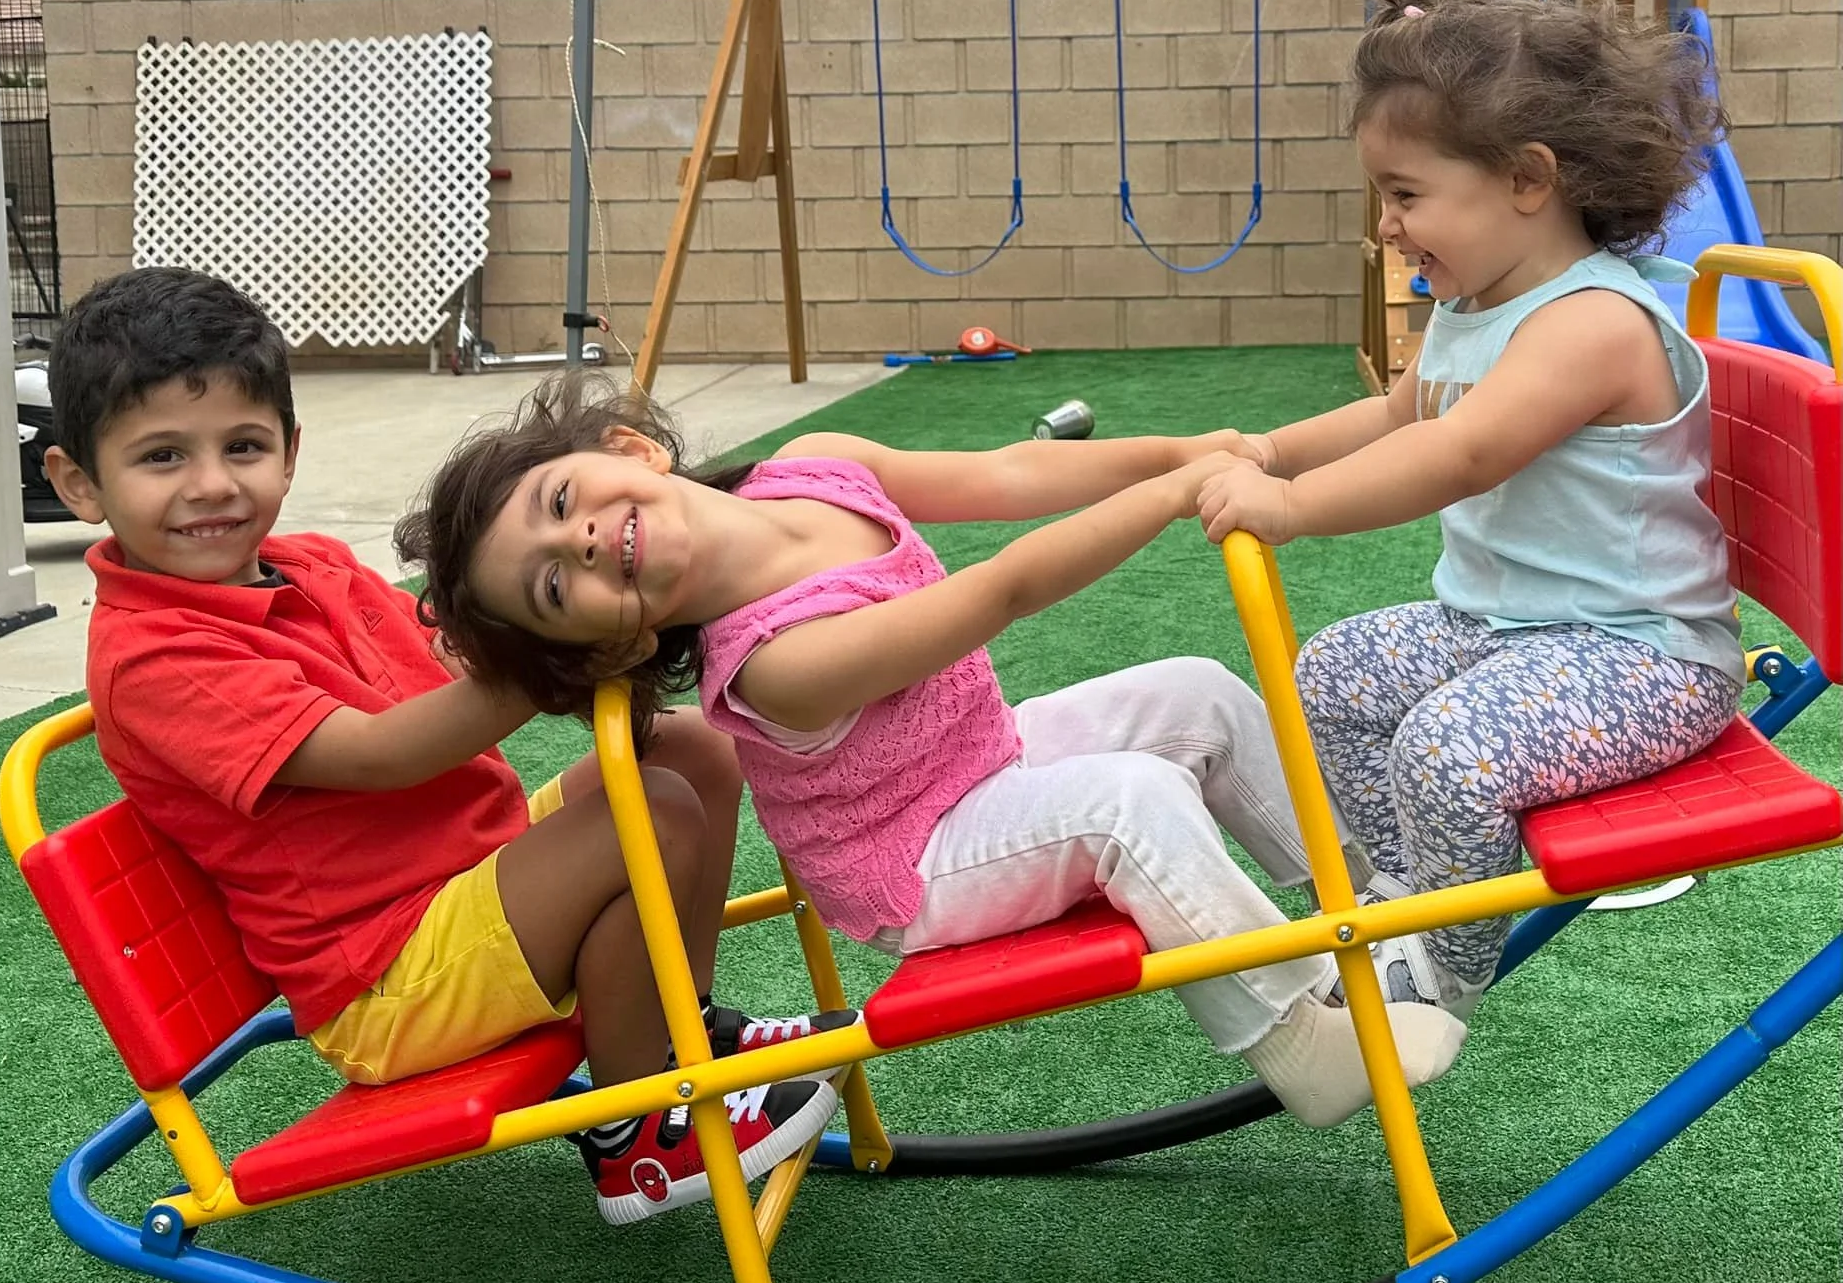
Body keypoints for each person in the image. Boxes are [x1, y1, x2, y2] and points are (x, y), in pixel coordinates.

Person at [396, 383, 1468, 1131]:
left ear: (630, 451)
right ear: (616, 642)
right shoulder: (771, 661)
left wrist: (1184, 450)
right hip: (917, 862)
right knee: (1128, 799)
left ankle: (1370, 908)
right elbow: (997, 589)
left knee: (1192, 690)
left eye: (557, 501)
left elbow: (1007, 473)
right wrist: (1171, 495)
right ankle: (1298, 1043)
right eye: (550, 585)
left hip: (980, 759)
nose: (573, 540)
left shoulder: (815, 472)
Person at [43, 267, 848, 1226]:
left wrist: (582, 588)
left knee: (686, 753)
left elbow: (453, 649)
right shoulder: (156, 655)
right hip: (387, 976)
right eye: (163, 457)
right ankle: (637, 1132)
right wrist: (556, 658)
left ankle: (682, 1036)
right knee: (657, 816)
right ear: (78, 482)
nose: (213, 484)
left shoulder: (316, 567)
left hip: (467, 880)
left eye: (243, 446)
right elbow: (385, 753)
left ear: (290, 453)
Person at [1194, 0, 1744, 1015]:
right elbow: (1399, 413)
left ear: (1528, 180)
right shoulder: (1468, 305)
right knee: (1337, 673)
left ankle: (1439, 960)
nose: (1386, 223)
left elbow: (1462, 450)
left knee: (1448, 748)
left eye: (1405, 194)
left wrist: (1294, 510)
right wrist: (1271, 450)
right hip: (1504, 626)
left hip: (1638, 655)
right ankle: (1405, 885)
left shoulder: (1591, 322)